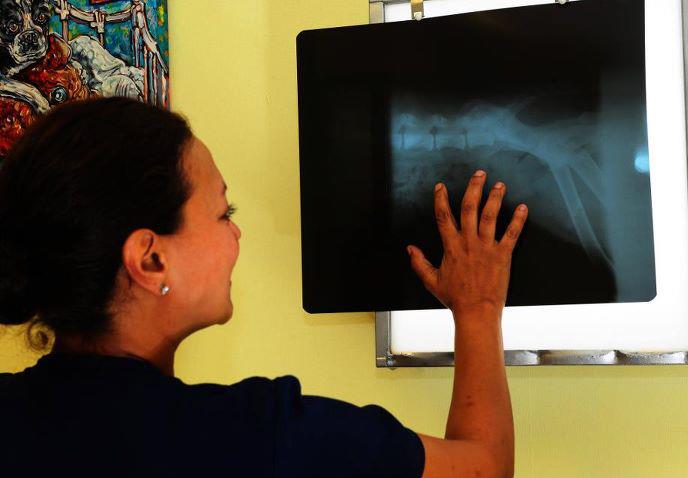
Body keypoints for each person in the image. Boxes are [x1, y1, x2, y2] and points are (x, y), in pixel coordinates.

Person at [0, 98, 528, 477]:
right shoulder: (264, 438)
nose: (236, 234)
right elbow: (484, 467)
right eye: (222, 213)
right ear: (151, 259)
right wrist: (478, 308)